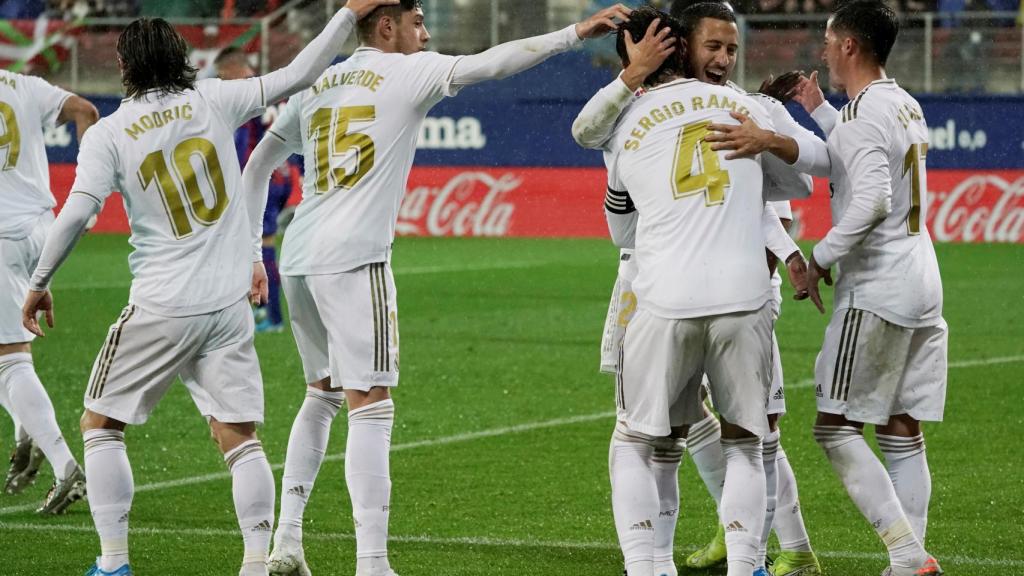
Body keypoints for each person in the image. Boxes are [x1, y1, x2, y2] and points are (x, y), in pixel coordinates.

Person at [240, 2, 633, 575]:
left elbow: (257, 164)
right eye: (419, 22)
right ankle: (372, 564)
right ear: (387, 26)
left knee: (320, 394)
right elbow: (495, 63)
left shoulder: (320, 80)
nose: (426, 35)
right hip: (355, 258)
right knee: (371, 407)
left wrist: (256, 253)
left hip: (298, 256)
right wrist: (575, 32)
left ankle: (288, 542)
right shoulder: (407, 71)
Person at [21, 3, 398, 575]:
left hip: (162, 303)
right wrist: (346, 15)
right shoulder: (215, 99)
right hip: (226, 308)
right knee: (238, 437)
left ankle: (114, 563)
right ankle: (253, 563)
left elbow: (78, 214)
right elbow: (298, 73)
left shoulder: (111, 133)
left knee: (99, 424)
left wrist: (39, 282)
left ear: (124, 66)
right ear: (180, 57)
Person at [575, 3, 827, 575]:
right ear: (683, 46)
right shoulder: (751, 108)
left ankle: (648, 566)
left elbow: (622, 227)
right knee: (748, 441)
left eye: (730, 48)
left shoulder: (624, 122)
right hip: (743, 299)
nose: (723, 59)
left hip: (662, 297)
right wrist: (772, 144)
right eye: (713, 47)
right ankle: (746, 565)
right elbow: (801, 184)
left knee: (642, 444)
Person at [788, 2, 947, 575]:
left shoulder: (864, 113)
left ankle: (906, 554)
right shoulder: (899, 102)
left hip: (878, 288)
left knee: (833, 427)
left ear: (850, 46)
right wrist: (819, 111)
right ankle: (910, 565)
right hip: (921, 279)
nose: (824, 50)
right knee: (901, 428)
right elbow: (861, 156)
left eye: (829, 41)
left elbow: (872, 197)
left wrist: (819, 258)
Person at [0, 69, 98, 512]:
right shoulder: (23, 84)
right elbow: (87, 111)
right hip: (42, 230)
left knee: (9, 359)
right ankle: (26, 433)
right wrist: (88, 187)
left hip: (2, 236)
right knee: (11, 353)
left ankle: (65, 467)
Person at [216, 46, 294, 333]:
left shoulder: (246, 97)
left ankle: (269, 316)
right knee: (259, 245)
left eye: (222, 76)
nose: (221, 82)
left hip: (260, 179)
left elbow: (241, 146)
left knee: (259, 247)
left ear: (232, 71)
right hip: (282, 177)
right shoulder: (273, 92)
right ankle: (264, 312)